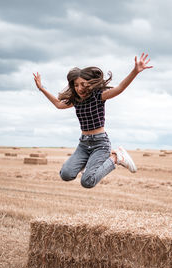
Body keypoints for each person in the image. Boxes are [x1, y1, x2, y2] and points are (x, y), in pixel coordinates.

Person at [33, 53, 153, 188]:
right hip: (84, 144)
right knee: (65, 174)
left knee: (87, 182)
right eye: (76, 85)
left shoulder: (98, 96)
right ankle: (89, 163)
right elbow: (58, 104)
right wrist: (41, 88)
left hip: (100, 144)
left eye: (83, 84)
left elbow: (119, 88)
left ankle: (116, 158)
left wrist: (135, 71)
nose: (79, 88)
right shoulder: (76, 100)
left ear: (89, 83)